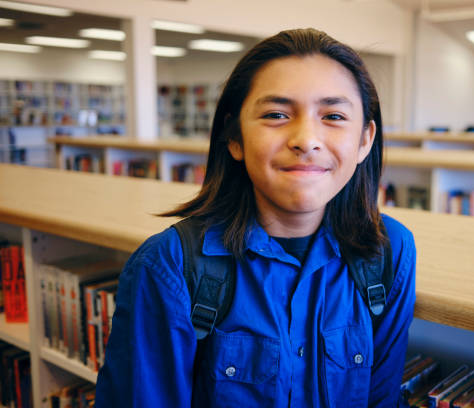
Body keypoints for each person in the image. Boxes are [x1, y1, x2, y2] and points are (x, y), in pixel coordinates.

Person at [95, 28, 416, 408]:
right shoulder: (170, 265)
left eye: (333, 115)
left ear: (365, 139)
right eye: (276, 114)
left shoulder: (389, 251)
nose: (306, 139)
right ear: (235, 138)